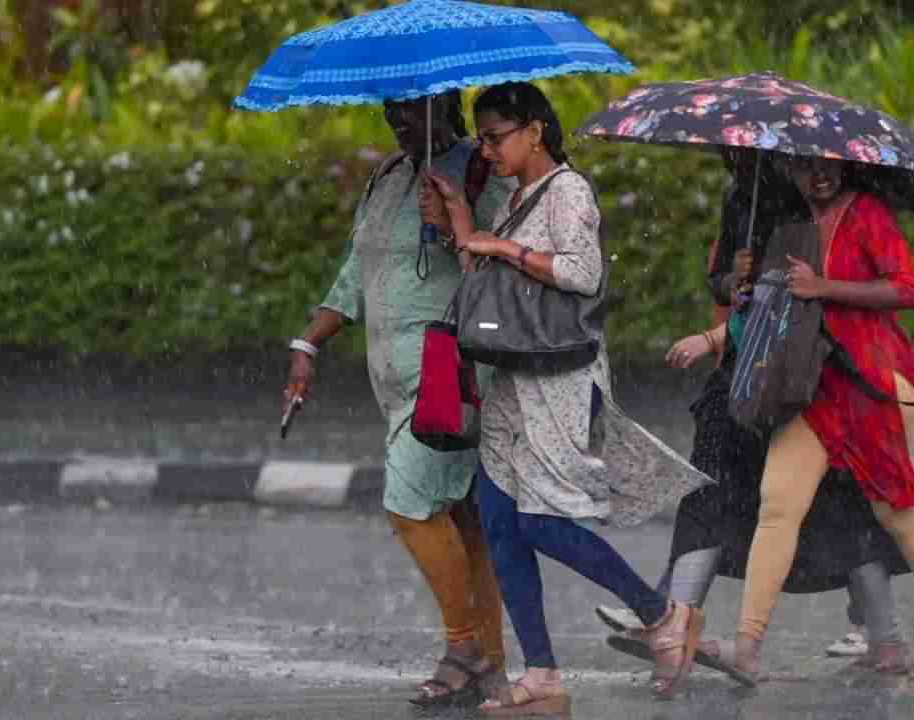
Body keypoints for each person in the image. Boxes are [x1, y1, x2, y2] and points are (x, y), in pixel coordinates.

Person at [425, 81, 713, 715]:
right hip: (511, 377)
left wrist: (500, 244)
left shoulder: (570, 192)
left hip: (556, 379)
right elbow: (494, 278)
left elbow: (580, 275)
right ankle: (543, 672)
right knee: (501, 523)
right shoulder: (520, 196)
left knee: (540, 521)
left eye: (497, 137)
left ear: (534, 131)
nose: (488, 149)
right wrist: (460, 220)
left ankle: (662, 613)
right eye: (482, 138)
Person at [597, 150, 911, 678]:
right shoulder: (742, 194)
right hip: (749, 375)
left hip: (801, 380)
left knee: (835, 503)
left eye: (744, 153)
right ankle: (676, 624)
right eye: (728, 152)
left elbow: (797, 304)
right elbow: (731, 285)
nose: (733, 160)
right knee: (716, 496)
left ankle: (882, 636)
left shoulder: (814, 206)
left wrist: (751, 300)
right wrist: (732, 283)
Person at [723, 155, 914, 684]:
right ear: (789, 171)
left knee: (899, 515)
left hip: (873, 383)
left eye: (830, 165)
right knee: (777, 506)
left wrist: (825, 287)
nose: (821, 175)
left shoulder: (870, 214)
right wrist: (746, 287)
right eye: (807, 167)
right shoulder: (790, 226)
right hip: (813, 387)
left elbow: (906, 288)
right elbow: (781, 307)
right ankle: (746, 648)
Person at [282, 89, 514, 710]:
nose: (398, 120)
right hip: (394, 380)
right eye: (392, 110)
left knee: (410, 505)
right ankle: (489, 665)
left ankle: (461, 646)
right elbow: (357, 274)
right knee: (466, 524)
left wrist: (451, 226)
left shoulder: (481, 169)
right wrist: (308, 343)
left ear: (446, 104)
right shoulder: (388, 176)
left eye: (412, 108)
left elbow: (502, 268)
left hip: (450, 371)